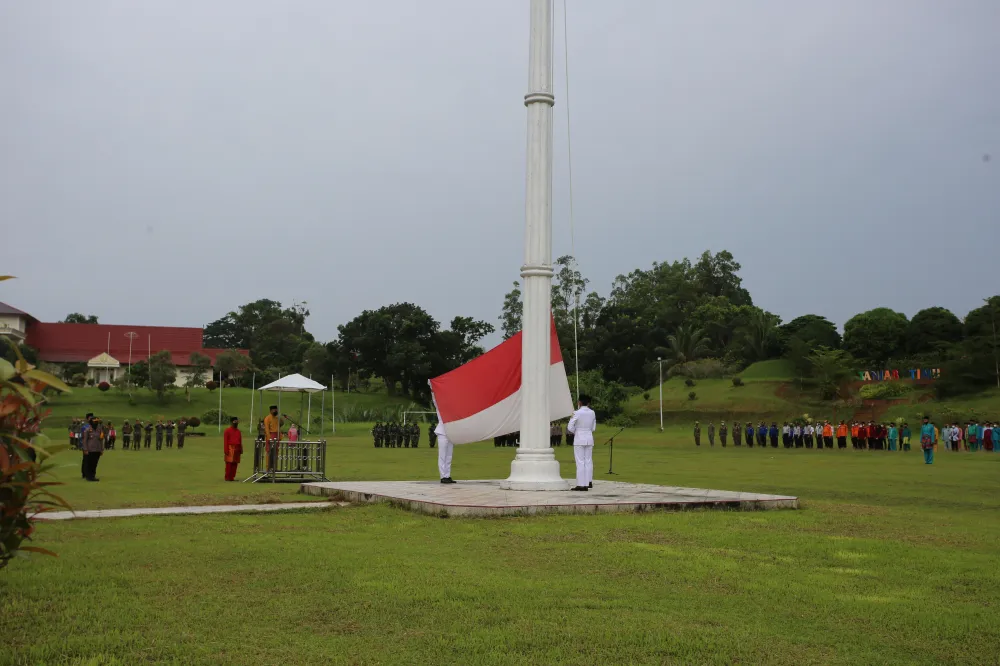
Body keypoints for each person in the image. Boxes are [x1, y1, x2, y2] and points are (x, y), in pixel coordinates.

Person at [568, 394, 597, 491]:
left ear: (579, 402)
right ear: (588, 403)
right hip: (589, 437)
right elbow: (593, 428)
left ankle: (581, 484)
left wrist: (577, 432)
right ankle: (588, 481)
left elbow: (570, 427)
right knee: (588, 460)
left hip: (579, 438)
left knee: (580, 462)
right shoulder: (592, 412)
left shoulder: (576, 413)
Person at [434, 409, 455, 484]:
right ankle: (443, 476)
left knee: (449, 456)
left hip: (450, 432)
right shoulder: (440, 407)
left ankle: (447, 476)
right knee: (442, 456)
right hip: (442, 433)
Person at [81, 416, 103, 481]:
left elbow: (101, 440)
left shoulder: (100, 430)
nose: (96, 423)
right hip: (90, 450)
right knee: (89, 463)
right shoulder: (87, 430)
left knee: (94, 464)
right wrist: (85, 449)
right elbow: (84, 441)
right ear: (91, 422)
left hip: (97, 450)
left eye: (97, 422)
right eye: (95, 422)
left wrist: (101, 449)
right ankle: (89, 476)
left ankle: (93, 476)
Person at [223, 417, 243, 481]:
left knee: (235, 463)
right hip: (230, 448)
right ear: (231, 422)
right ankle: (227, 477)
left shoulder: (238, 431)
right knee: (229, 463)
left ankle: (232, 477)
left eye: (237, 421)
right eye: (234, 421)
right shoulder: (227, 431)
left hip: (237, 448)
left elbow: (240, 441)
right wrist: (226, 450)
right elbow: (225, 441)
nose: (236, 423)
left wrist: (241, 449)